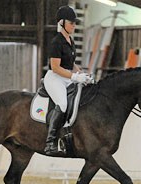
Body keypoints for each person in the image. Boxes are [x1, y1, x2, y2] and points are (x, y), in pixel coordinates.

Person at [44, 5, 91, 155]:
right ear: (62, 23)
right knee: (63, 104)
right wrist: (74, 76)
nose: (74, 26)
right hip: (55, 78)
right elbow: (55, 67)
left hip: (66, 77)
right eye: (72, 23)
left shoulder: (70, 40)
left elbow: (70, 63)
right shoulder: (56, 42)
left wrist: (82, 74)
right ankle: (50, 142)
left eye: (75, 23)